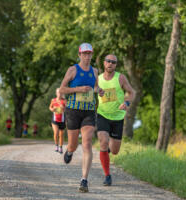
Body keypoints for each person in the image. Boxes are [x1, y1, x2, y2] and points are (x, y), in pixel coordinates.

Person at [59, 42, 104, 193]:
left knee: (87, 142)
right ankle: (70, 151)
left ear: (92, 55)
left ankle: (84, 180)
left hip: (89, 111)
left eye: (89, 53)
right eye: (84, 54)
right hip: (72, 111)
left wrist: (100, 90)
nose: (87, 56)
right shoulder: (73, 70)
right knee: (73, 144)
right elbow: (62, 89)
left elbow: (95, 87)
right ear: (79, 55)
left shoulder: (95, 71)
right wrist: (78, 89)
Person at [97, 54, 135, 186]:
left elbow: (132, 92)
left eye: (113, 62)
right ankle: (107, 175)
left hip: (118, 117)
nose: (110, 64)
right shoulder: (98, 79)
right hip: (102, 115)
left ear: (115, 65)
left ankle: (106, 150)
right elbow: (91, 92)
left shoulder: (121, 78)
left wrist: (127, 103)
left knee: (114, 151)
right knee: (103, 141)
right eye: (108, 61)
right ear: (104, 63)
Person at [49, 88, 67, 154]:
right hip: (55, 120)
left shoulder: (64, 101)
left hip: (62, 120)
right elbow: (50, 107)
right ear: (56, 93)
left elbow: (67, 109)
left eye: (60, 93)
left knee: (61, 135)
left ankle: (60, 147)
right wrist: (52, 109)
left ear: (62, 94)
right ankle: (56, 145)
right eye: (58, 93)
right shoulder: (53, 100)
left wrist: (64, 108)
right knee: (56, 133)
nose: (59, 94)